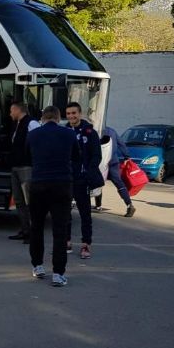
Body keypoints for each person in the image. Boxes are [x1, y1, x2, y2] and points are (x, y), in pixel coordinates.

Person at [27, 106, 81, 287]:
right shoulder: (69, 134)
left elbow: (27, 157)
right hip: (62, 184)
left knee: (37, 226)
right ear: (59, 118)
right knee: (60, 230)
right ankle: (58, 273)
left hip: (39, 184)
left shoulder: (33, 135)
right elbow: (76, 156)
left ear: (43, 118)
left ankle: (38, 266)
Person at [65, 102, 102, 260]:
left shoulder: (90, 132)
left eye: (74, 113)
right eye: (68, 113)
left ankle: (86, 244)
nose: (71, 116)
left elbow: (96, 155)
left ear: (80, 113)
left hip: (82, 180)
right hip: (67, 179)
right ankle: (66, 242)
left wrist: (88, 172)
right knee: (65, 213)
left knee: (85, 213)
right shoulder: (64, 132)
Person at [8, 102, 35, 242]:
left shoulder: (31, 123)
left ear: (18, 110)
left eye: (12, 110)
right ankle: (25, 230)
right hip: (16, 166)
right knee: (19, 201)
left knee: (29, 201)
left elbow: (38, 142)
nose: (10, 114)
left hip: (26, 167)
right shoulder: (17, 124)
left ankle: (33, 232)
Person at [95, 125, 135, 217]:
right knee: (119, 183)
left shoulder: (95, 131)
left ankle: (98, 206)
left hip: (101, 162)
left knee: (98, 182)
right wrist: (127, 156)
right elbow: (121, 144)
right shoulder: (112, 131)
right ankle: (129, 205)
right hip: (113, 161)